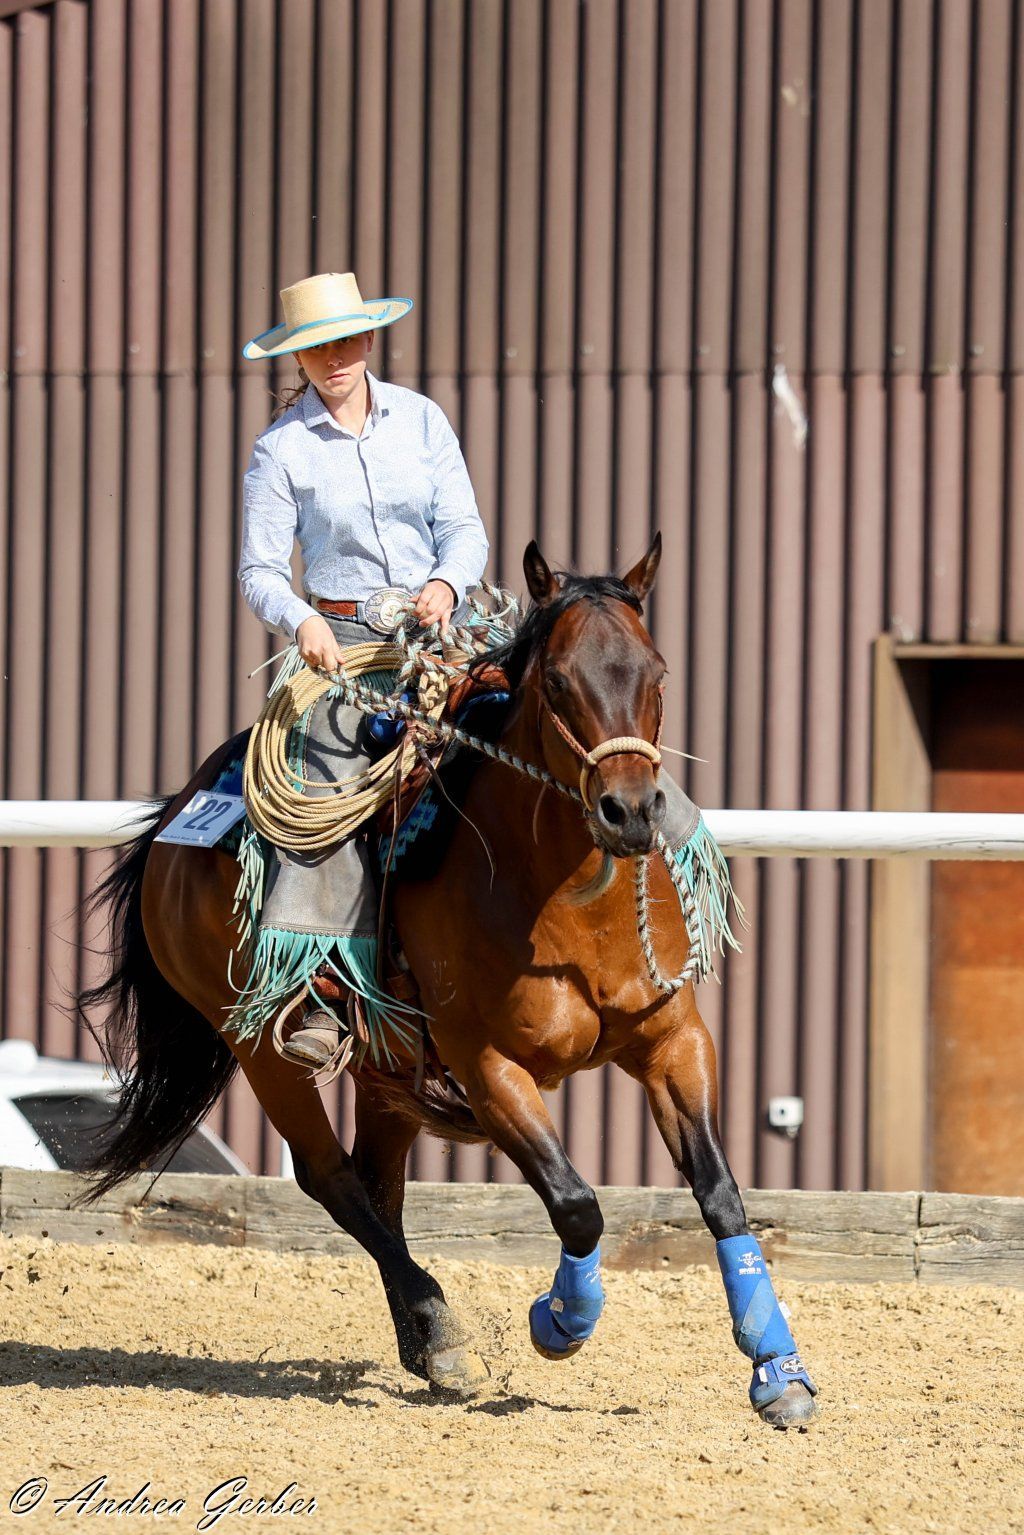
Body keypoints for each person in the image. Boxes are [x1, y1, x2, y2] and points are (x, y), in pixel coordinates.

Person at [237, 271, 489, 1069]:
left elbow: (465, 530)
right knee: (324, 788)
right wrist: (302, 618)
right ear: (300, 358)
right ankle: (321, 988)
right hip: (341, 651)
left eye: (345, 340)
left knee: (530, 735)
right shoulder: (279, 451)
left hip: (437, 632)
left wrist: (448, 583)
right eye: (316, 347)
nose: (334, 357)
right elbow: (259, 572)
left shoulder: (421, 420)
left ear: (369, 339)